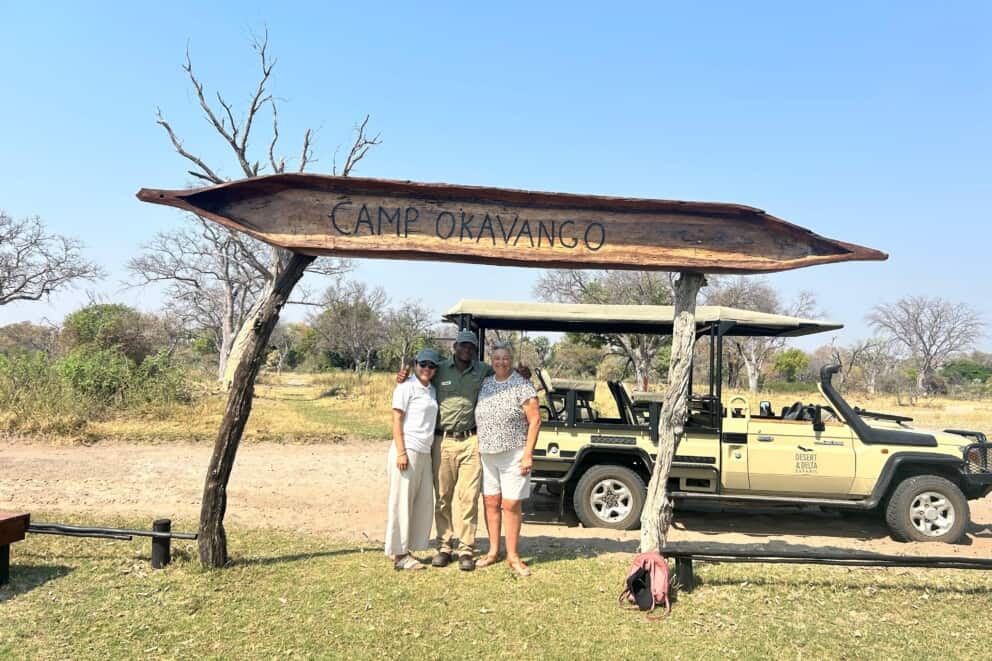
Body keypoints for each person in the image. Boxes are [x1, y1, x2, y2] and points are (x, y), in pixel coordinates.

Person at [396, 330, 530, 571]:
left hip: (471, 440)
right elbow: (421, 380)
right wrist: (403, 376)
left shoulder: (483, 371)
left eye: (471, 346)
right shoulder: (439, 369)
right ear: (454, 347)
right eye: (462, 346)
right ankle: (445, 546)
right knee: (443, 496)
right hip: (443, 440)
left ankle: (466, 548)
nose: (466, 350)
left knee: (468, 497)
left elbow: (504, 373)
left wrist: (522, 374)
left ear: (475, 350)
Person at [474, 341, 541, 577]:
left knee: (511, 504)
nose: (501, 361)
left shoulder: (522, 385)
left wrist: (528, 454)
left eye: (505, 358)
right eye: (497, 357)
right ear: (491, 360)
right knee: (491, 502)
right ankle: (493, 551)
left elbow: (535, 420)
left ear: (511, 360)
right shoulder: (485, 383)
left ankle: (513, 555)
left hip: (514, 453)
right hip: (487, 453)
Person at [385, 348, 440, 570]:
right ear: (415, 364)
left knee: (422, 502)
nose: (426, 369)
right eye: (423, 364)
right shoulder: (405, 387)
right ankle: (399, 555)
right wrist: (401, 452)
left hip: (425, 452)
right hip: (407, 448)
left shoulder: (432, 390)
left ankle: (407, 547)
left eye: (431, 366)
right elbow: (397, 420)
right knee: (401, 503)